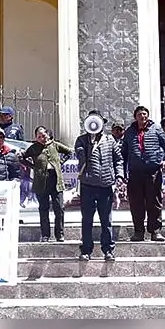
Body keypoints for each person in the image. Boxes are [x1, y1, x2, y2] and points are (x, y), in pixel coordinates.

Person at [74, 110, 124, 261]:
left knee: (106, 220)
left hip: (106, 185)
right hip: (88, 185)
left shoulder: (110, 140)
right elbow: (79, 154)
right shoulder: (82, 140)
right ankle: (86, 250)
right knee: (87, 219)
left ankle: (108, 250)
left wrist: (119, 175)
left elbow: (119, 160)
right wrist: (88, 145)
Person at [121, 105, 165, 242]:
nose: (142, 117)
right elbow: (123, 154)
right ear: (135, 117)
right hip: (135, 173)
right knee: (136, 204)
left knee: (154, 203)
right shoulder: (129, 132)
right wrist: (122, 173)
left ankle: (155, 231)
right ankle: (138, 232)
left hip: (153, 173)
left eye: (144, 114)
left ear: (147, 116)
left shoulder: (156, 129)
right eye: (139, 114)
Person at [21, 126, 74, 242]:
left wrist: (60, 162)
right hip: (41, 182)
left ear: (48, 135)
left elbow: (69, 152)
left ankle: (59, 234)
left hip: (56, 181)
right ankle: (45, 235)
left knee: (59, 208)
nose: (42, 138)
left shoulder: (55, 145)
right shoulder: (34, 148)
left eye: (43, 135)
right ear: (36, 138)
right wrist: (32, 166)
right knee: (43, 209)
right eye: (39, 137)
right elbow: (21, 157)